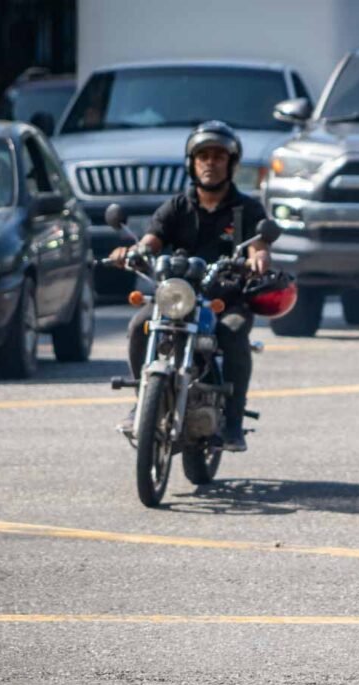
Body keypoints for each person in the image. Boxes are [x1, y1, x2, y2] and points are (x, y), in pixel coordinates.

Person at [109, 121, 269, 452]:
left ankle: (233, 423)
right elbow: (151, 240)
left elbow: (258, 245)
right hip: (179, 296)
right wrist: (132, 252)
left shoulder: (247, 209)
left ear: (231, 164)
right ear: (191, 163)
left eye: (218, 157)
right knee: (139, 325)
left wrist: (258, 259)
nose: (210, 163)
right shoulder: (177, 206)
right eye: (203, 156)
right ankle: (142, 402)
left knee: (233, 333)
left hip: (225, 299)